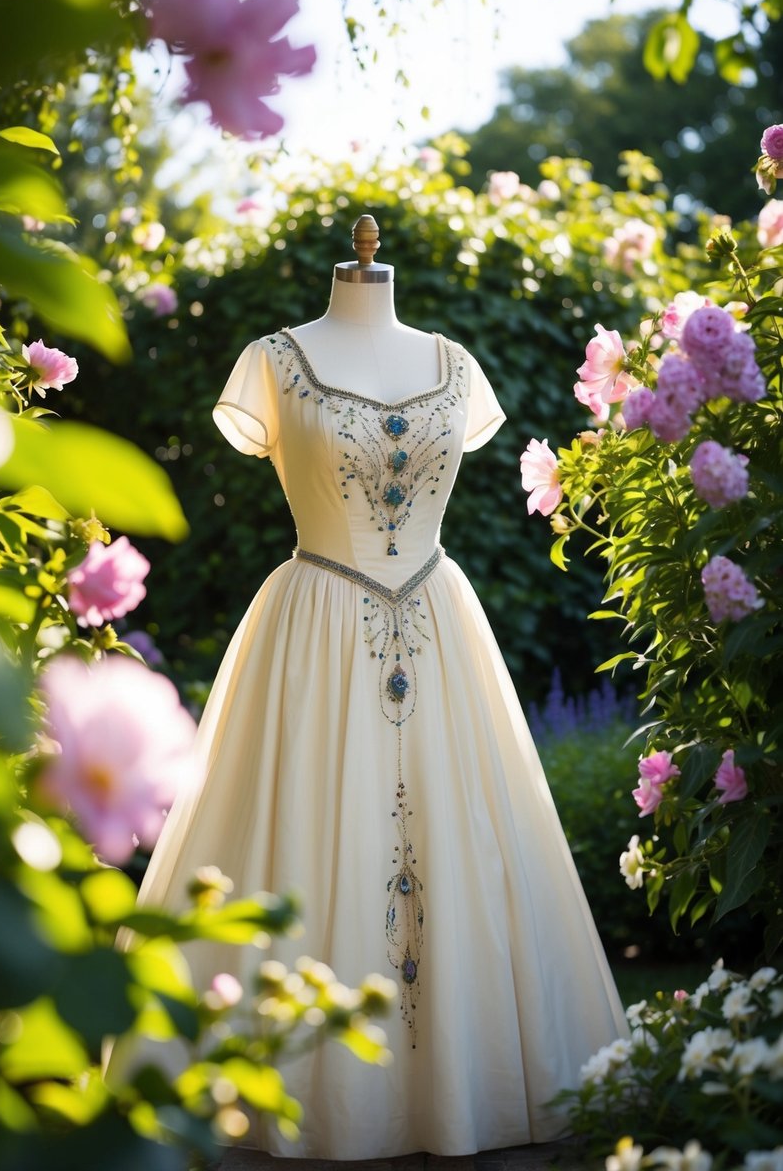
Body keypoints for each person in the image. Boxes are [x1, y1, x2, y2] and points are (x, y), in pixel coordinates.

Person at [122, 218, 628, 1159]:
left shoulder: (454, 364)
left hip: (438, 618)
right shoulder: (272, 363)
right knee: (310, 827)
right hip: (314, 619)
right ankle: (308, 1084)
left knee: (466, 832)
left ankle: (461, 1083)